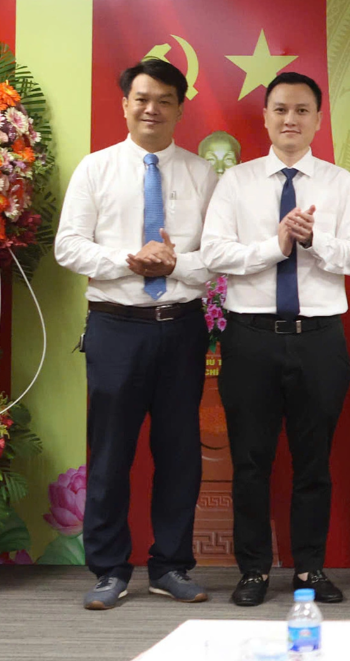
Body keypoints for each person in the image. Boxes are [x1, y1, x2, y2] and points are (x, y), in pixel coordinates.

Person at [199, 72, 350, 607]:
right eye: (280, 109)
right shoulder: (237, 182)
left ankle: (310, 570)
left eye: (301, 110)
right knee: (251, 462)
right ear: (266, 116)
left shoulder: (339, 183)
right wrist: (274, 246)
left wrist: (315, 239)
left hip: (319, 338)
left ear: (318, 119)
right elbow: (214, 253)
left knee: (313, 463)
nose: (290, 119)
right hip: (251, 337)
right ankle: (253, 572)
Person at [55, 58, 218, 610]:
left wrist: (174, 264)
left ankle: (170, 565)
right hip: (115, 327)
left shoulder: (201, 174)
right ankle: (109, 569)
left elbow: (217, 256)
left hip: (181, 328)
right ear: (125, 104)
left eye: (165, 100)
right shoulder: (96, 169)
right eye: (142, 98)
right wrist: (131, 259)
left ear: (180, 108)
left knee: (179, 452)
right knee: (110, 453)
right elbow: (68, 246)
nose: (152, 109)